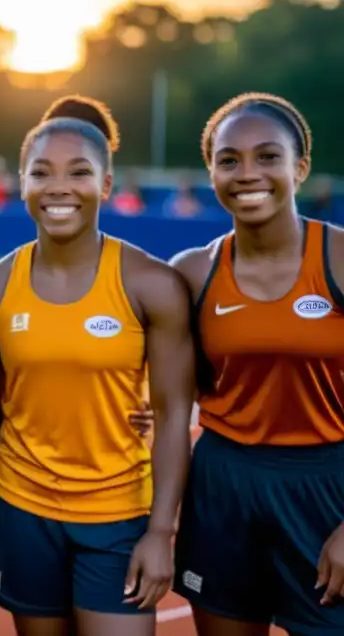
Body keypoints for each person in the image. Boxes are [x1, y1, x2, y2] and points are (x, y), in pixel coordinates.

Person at [0, 95, 195, 636]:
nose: (58, 186)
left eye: (79, 172)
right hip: (22, 510)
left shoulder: (151, 284)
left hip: (118, 517)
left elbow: (174, 409)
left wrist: (161, 531)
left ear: (107, 185)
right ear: (21, 183)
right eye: (41, 172)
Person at [170, 92, 344, 635]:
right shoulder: (193, 273)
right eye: (229, 160)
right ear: (212, 171)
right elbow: (176, 406)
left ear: (301, 166)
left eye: (268, 156)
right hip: (223, 483)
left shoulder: (338, 259)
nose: (248, 173)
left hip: (327, 485)